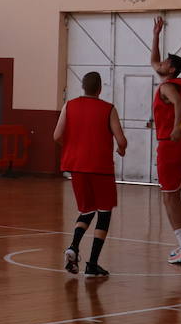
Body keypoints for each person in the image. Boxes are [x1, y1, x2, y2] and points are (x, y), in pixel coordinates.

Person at [53, 71, 128, 277]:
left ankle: (73, 247)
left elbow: (57, 135)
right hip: (100, 168)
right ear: (100, 89)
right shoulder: (108, 109)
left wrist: (72, 147)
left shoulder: (69, 106)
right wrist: (121, 149)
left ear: (83, 87)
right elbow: (121, 140)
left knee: (87, 210)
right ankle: (92, 263)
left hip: (77, 166)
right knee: (104, 213)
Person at [151, 15, 181, 264]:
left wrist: (177, 127)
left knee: (168, 197)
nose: (160, 63)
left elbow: (178, 103)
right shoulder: (173, 82)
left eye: (165, 62)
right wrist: (156, 35)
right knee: (174, 196)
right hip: (179, 145)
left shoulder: (168, 87)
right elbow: (153, 61)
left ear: (172, 69)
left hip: (170, 145)